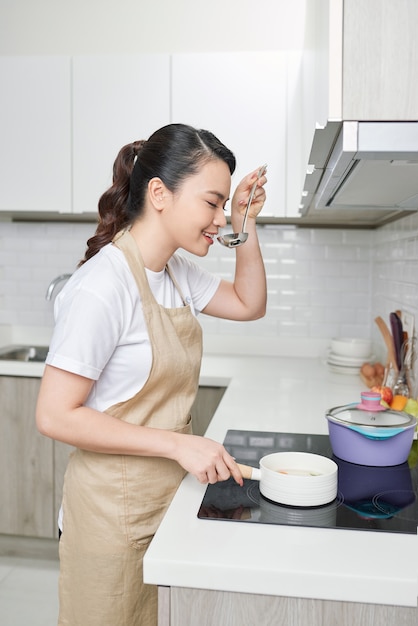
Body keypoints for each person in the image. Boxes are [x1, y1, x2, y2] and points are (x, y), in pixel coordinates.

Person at [36, 122, 267, 626]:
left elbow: (249, 304)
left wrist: (246, 224)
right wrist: (178, 444)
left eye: (226, 204)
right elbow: (54, 415)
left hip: (165, 501)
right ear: (159, 193)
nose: (220, 217)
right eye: (212, 203)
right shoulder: (103, 284)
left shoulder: (177, 272)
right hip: (109, 516)